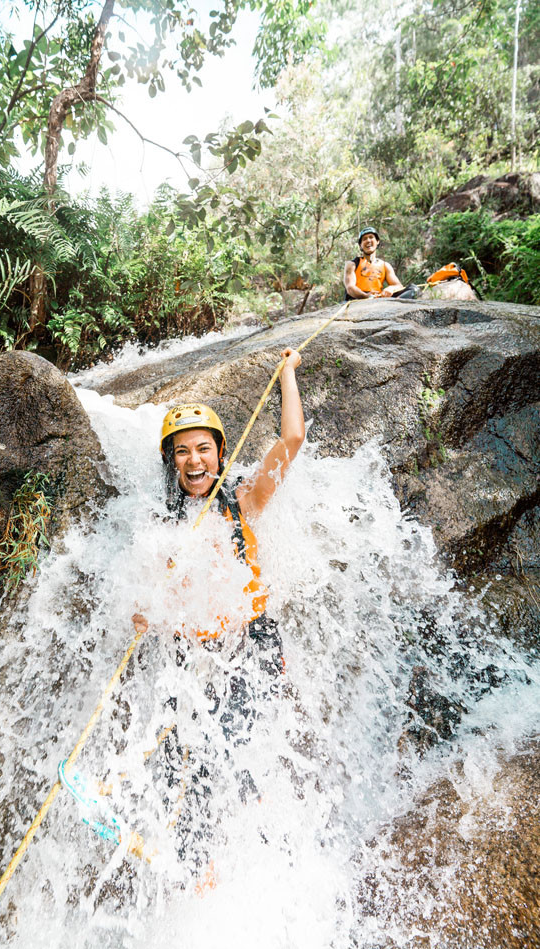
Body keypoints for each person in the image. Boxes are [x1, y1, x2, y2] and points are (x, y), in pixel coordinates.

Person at [132, 348, 305, 872]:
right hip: (199, 651)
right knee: (183, 748)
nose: (193, 460)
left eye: (202, 449)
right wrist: (144, 617)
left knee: (218, 751)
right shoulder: (164, 525)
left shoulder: (244, 501)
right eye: (181, 451)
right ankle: (196, 858)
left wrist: (288, 375)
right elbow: (158, 597)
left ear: (219, 452)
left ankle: (221, 859)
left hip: (251, 645)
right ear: (171, 462)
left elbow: (291, 441)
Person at [344, 227, 417, 300]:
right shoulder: (352, 264)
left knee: (413, 289)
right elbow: (350, 288)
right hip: (358, 299)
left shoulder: (385, 265)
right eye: (364, 239)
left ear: (377, 241)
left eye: (371, 237)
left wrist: (390, 289)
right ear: (360, 245)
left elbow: (398, 285)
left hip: (377, 298)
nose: (368, 240)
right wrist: (366, 296)